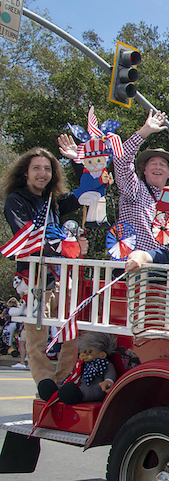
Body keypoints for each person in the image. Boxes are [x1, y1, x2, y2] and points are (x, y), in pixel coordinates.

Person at [2, 147, 81, 385]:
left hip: (61, 276)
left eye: (47, 169)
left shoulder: (54, 201)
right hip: (33, 277)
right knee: (36, 334)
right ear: (25, 172)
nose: (42, 173)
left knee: (71, 329)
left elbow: (85, 191)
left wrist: (76, 159)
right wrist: (62, 246)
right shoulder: (16, 200)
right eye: (36, 168)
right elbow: (25, 239)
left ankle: (65, 380)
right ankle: (45, 383)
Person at [112, 109, 169, 252]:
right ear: (144, 170)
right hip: (134, 267)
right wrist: (144, 132)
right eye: (152, 163)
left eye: (163, 164)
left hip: (162, 268)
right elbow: (120, 160)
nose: (157, 167)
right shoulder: (135, 188)